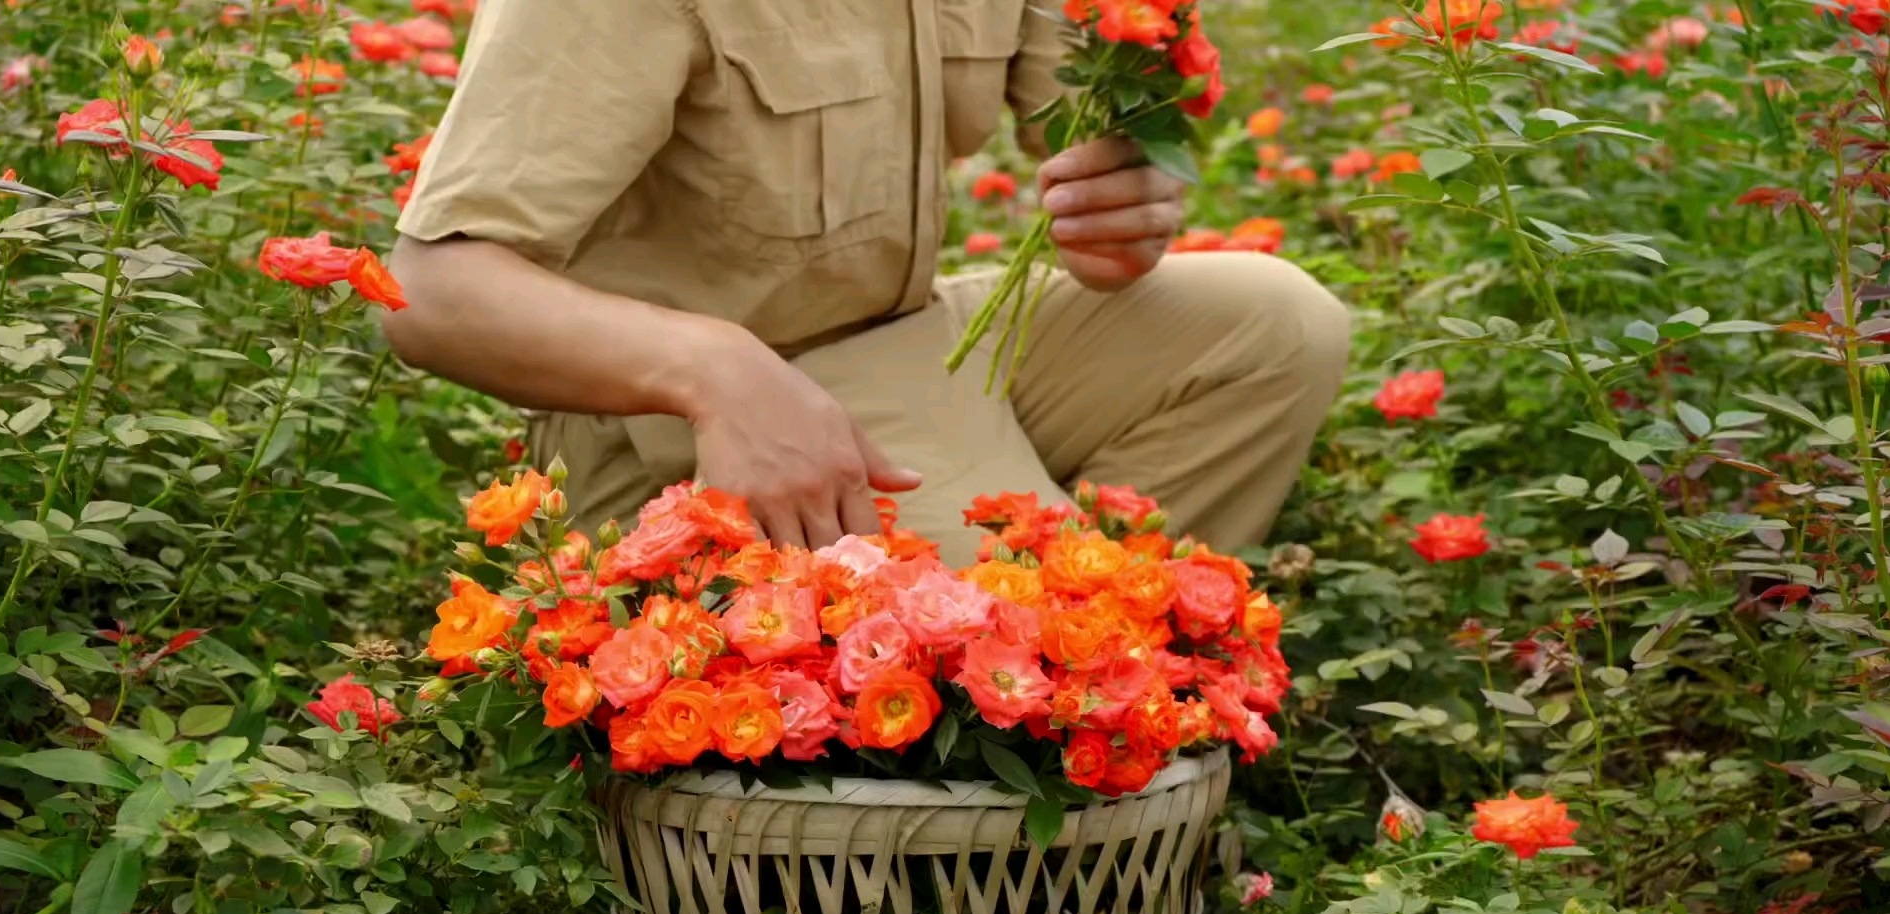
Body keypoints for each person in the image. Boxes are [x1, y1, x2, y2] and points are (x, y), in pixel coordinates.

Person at [383, 0, 1350, 564]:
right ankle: (979, 794)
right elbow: (437, 292)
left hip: (905, 343)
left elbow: (1084, 120)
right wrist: (712, 371)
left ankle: (1118, 714)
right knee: (1008, 613)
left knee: (1276, 327)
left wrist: (1119, 203)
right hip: (675, 427)